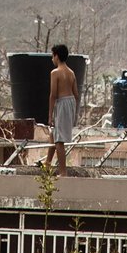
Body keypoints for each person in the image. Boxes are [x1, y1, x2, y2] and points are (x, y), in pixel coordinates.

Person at [46, 44, 80, 172]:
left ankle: (63, 172)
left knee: (59, 140)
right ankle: (47, 163)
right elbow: (76, 94)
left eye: (52, 56)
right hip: (70, 103)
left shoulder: (55, 72)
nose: (52, 59)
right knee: (53, 134)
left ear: (57, 56)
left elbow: (53, 94)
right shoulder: (71, 73)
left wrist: (50, 115)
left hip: (62, 103)